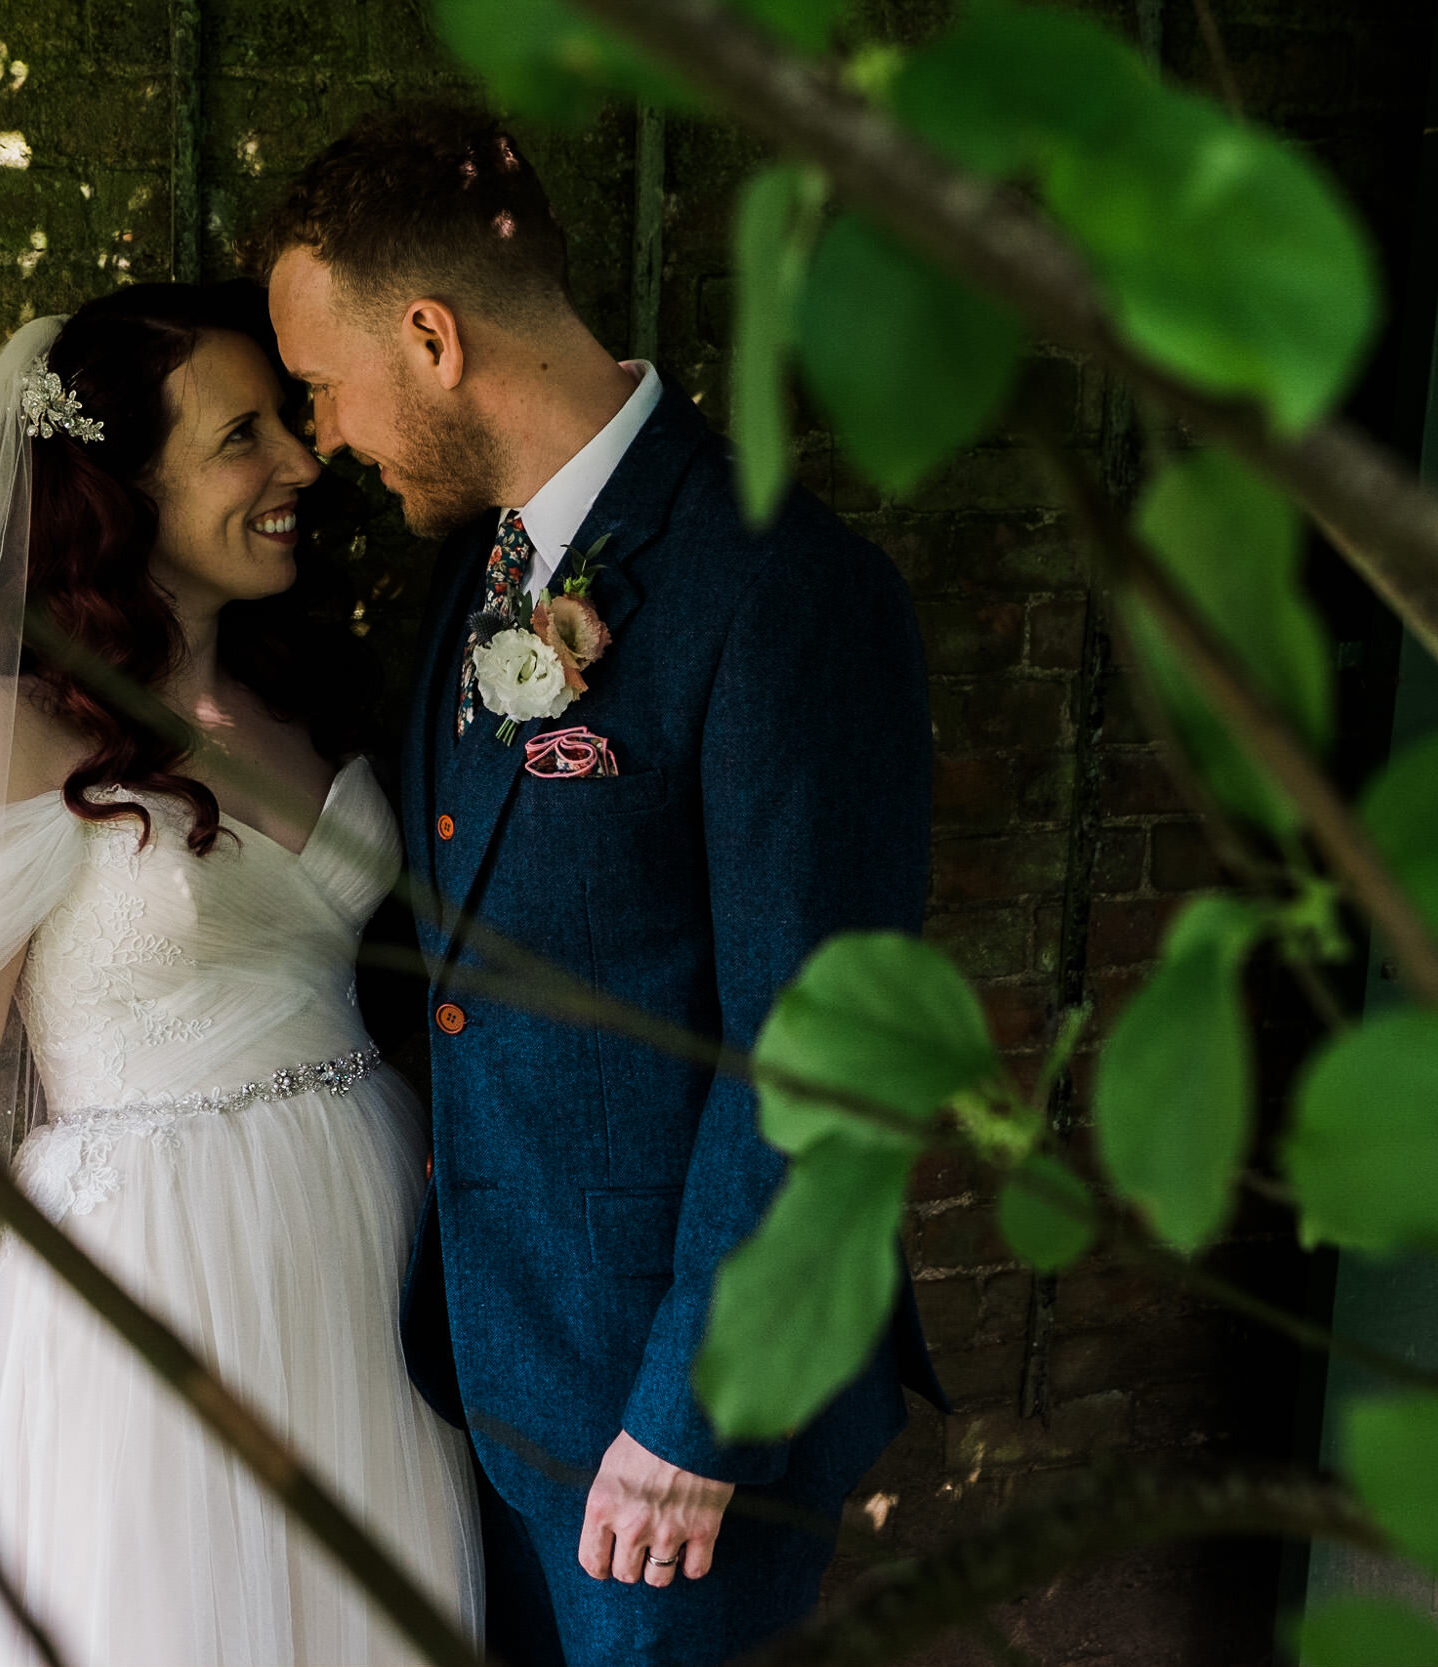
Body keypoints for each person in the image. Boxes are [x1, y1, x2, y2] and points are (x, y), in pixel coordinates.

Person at [0, 284, 481, 1667]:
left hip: (364, 1262)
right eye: (246, 438)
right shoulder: (4, 746)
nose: (302, 464)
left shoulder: (306, 700)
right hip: (152, 1285)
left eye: (292, 425)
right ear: (122, 486)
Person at [246, 107, 947, 1667]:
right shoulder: (482, 572)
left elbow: (822, 1053)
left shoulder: (779, 590)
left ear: (429, 339)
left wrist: (696, 1414)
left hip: (672, 1424)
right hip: (493, 1375)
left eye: (322, 383)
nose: (323, 434)